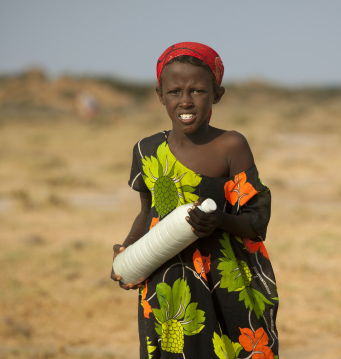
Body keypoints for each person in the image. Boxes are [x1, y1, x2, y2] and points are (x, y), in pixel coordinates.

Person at [111, 42, 279, 359]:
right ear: (160, 94)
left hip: (222, 280)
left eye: (198, 91)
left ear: (217, 94)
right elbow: (147, 213)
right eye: (175, 91)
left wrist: (220, 221)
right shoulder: (146, 151)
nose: (186, 101)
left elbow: (257, 222)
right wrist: (127, 252)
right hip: (164, 280)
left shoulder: (231, 145)